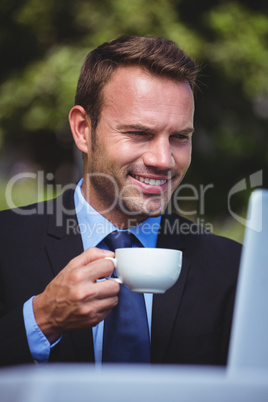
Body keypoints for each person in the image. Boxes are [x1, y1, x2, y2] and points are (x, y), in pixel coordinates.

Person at [0, 35, 241, 367]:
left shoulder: (234, 269)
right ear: (83, 129)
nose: (163, 159)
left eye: (179, 137)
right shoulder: (5, 242)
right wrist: (41, 320)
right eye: (139, 133)